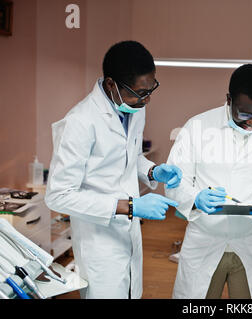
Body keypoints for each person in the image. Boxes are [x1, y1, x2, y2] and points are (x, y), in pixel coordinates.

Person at [45, 41, 182, 299]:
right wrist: (129, 207)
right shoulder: (80, 122)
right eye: (141, 93)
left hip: (128, 233)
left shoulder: (134, 108)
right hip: (99, 240)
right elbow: (58, 195)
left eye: (151, 90)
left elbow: (129, 158)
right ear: (111, 84)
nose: (147, 99)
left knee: (132, 292)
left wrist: (153, 171)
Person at [165, 64, 252, 298]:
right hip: (205, 239)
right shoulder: (197, 127)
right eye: (244, 114)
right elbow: (175, 182)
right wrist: (195, 198)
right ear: (229, 100)